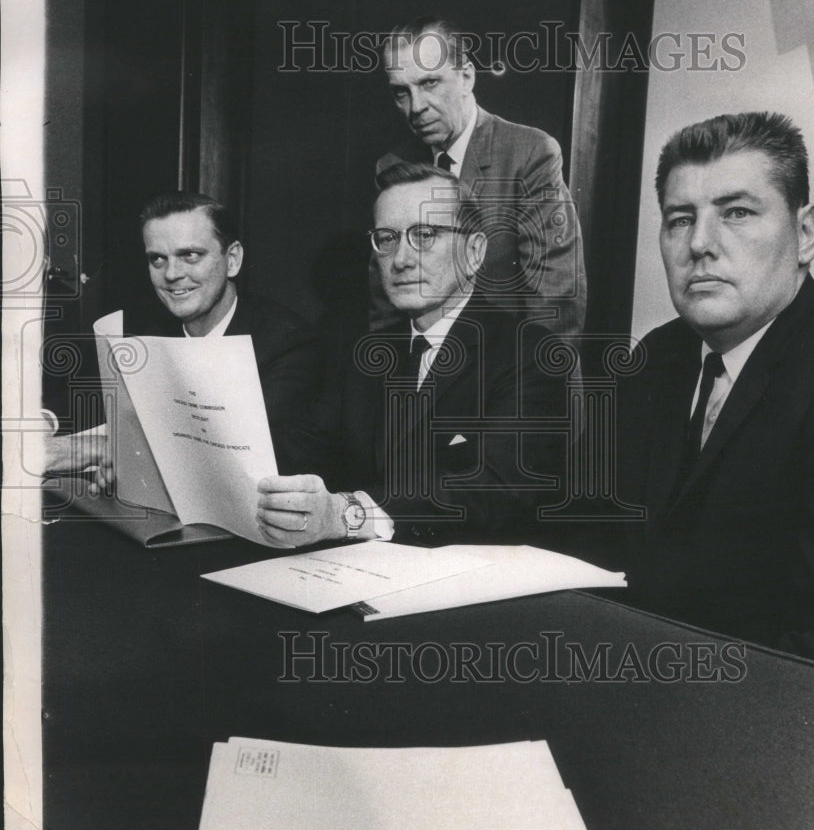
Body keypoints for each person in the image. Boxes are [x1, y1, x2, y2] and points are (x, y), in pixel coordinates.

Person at [257, 162, 571, 548]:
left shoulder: (531, 354)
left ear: (474, 252)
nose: (400, 259)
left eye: (424, 235)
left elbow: (497, 488)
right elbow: (302, 449)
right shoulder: (368, 354)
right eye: (387, 238)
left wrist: (348, 514)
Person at [614, 112, 814, 661]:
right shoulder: (657, 358)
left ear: (805, 234)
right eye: (680, 219)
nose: (700, 245)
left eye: (736, 212)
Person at [373, 16, 586, 338]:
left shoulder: (529, 153)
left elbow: (556, 297)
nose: (416, 107)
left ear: (467, 77)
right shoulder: (392, 166)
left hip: (510, 371)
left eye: (429, 83)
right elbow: (387, 303)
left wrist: (528, 383)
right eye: (401, 92)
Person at [137, 193, 320, 426]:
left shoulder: (289, 345)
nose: (172, 274)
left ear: (232, 260)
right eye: (158, 259)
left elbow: (234, 442)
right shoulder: (145, 340)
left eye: (190, 255)